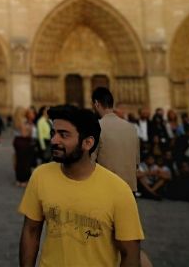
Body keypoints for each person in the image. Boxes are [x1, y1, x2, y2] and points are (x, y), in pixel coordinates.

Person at [19, 104, 144, 267]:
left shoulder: (119, 190)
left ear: (87, 143)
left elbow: (130, 254)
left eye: (63, 135)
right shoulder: (40, 176)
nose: (54, 140)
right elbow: (31, 231)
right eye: (53, 133)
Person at [91, 87, 140, 192]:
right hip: (129, 188)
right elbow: (137, 161)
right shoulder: (131, 128)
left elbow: (90, 161)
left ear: (96, 103)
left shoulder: (96, 127)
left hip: (107, 187)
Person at [13, 107, 34, 187]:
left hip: (17, 141)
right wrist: (30, 127)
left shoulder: (15, 120)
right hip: (24, 142)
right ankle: (24, 180)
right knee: (25, 162)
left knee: (19, 161)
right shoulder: (23, 121)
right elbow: (24, 134)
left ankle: (19, 180)